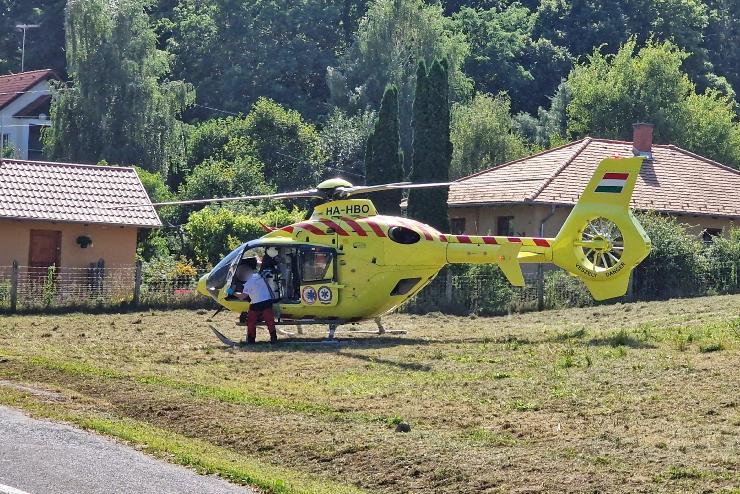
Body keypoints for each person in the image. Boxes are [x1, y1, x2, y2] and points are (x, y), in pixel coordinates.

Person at [231, 257, 278, 344]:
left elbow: (242, 297)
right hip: (266, 302)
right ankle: (273, 338)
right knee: (269, 321)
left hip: (257, 304)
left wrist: (231, 292)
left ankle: (251, 340)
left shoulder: (249, 282)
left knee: (251, 322)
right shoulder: (258, 275)